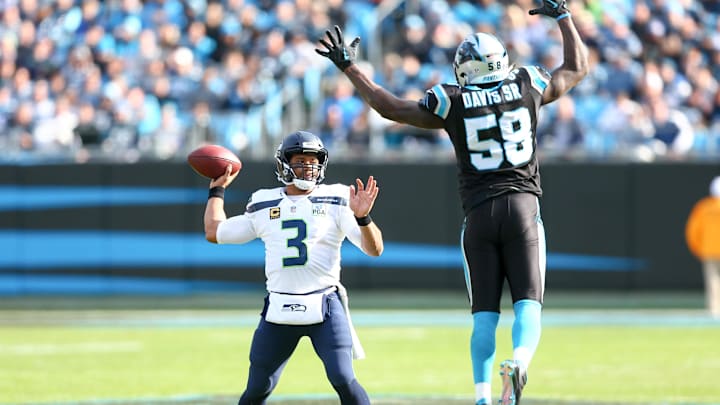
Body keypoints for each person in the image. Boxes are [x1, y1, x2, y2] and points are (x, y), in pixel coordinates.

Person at [315, 1, 589, 404]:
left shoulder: (452, 100)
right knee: (528, 304)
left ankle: (481, 396)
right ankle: (520, 363)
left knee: (483, 315)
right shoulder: (527, 83)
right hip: (524, 208)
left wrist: (349, 68)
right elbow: (575, 68)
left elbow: (389, 107)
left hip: (479, 214)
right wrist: (563, 17)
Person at [203, 130, 384, 405]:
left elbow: (375, 249)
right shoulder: (263, 201)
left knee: (343, 378)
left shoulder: (336, 197)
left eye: (313, 161)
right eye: (300, 160)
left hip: (324, 304)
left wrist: (363, 218)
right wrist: (217, 190)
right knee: (256, 389)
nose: (308, 167)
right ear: (284, 164)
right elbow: (214, 232)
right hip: (279, 308)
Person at [685, 176, 720, 318]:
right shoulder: (702, 207)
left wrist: (697, 248)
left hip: (709, 249)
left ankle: (715, 309)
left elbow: (693, 230)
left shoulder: (703, 207)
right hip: (709, 249)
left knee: (713, 280)